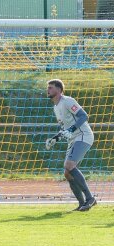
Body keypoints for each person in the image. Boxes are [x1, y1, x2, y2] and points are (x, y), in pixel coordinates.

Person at [45, 79, 96, 211]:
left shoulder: (67, 101)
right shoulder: (56, 107)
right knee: (67, 173)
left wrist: (72, 130)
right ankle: (82, 203)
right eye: (48, 87)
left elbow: (84, 116)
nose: (48, 90)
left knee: (69, 165)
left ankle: (90, 198)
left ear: (59, 90)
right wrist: (55, 138)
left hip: (83, 135)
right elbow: (64, 128)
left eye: (51, 87)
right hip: (73, 139)